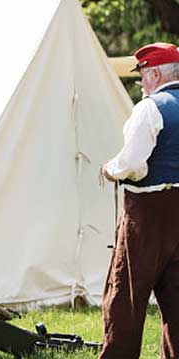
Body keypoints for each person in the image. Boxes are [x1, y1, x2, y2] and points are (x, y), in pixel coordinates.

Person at [100, 42, 179, 359]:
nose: (142, 84)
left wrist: (109, 169)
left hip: (148, 214)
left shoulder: (151, 107)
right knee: (177, 298)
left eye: (143, 75)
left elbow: (132, 164)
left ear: (156, 73)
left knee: (126, 297)